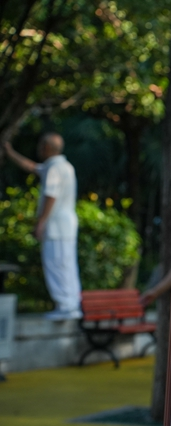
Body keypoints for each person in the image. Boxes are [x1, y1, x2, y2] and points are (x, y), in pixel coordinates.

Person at [4, 134, 82, 320]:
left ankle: (65, 306)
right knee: (67, 265)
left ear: (46, 148)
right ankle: (72, 305)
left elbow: (50, 195)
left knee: (56, 264)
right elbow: (31, 167)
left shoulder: (54, 168)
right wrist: (10, 152)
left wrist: (41, 222)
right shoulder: (63, 166)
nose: (38, 149)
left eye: (40, 146)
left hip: (56, 226)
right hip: (66, 226)